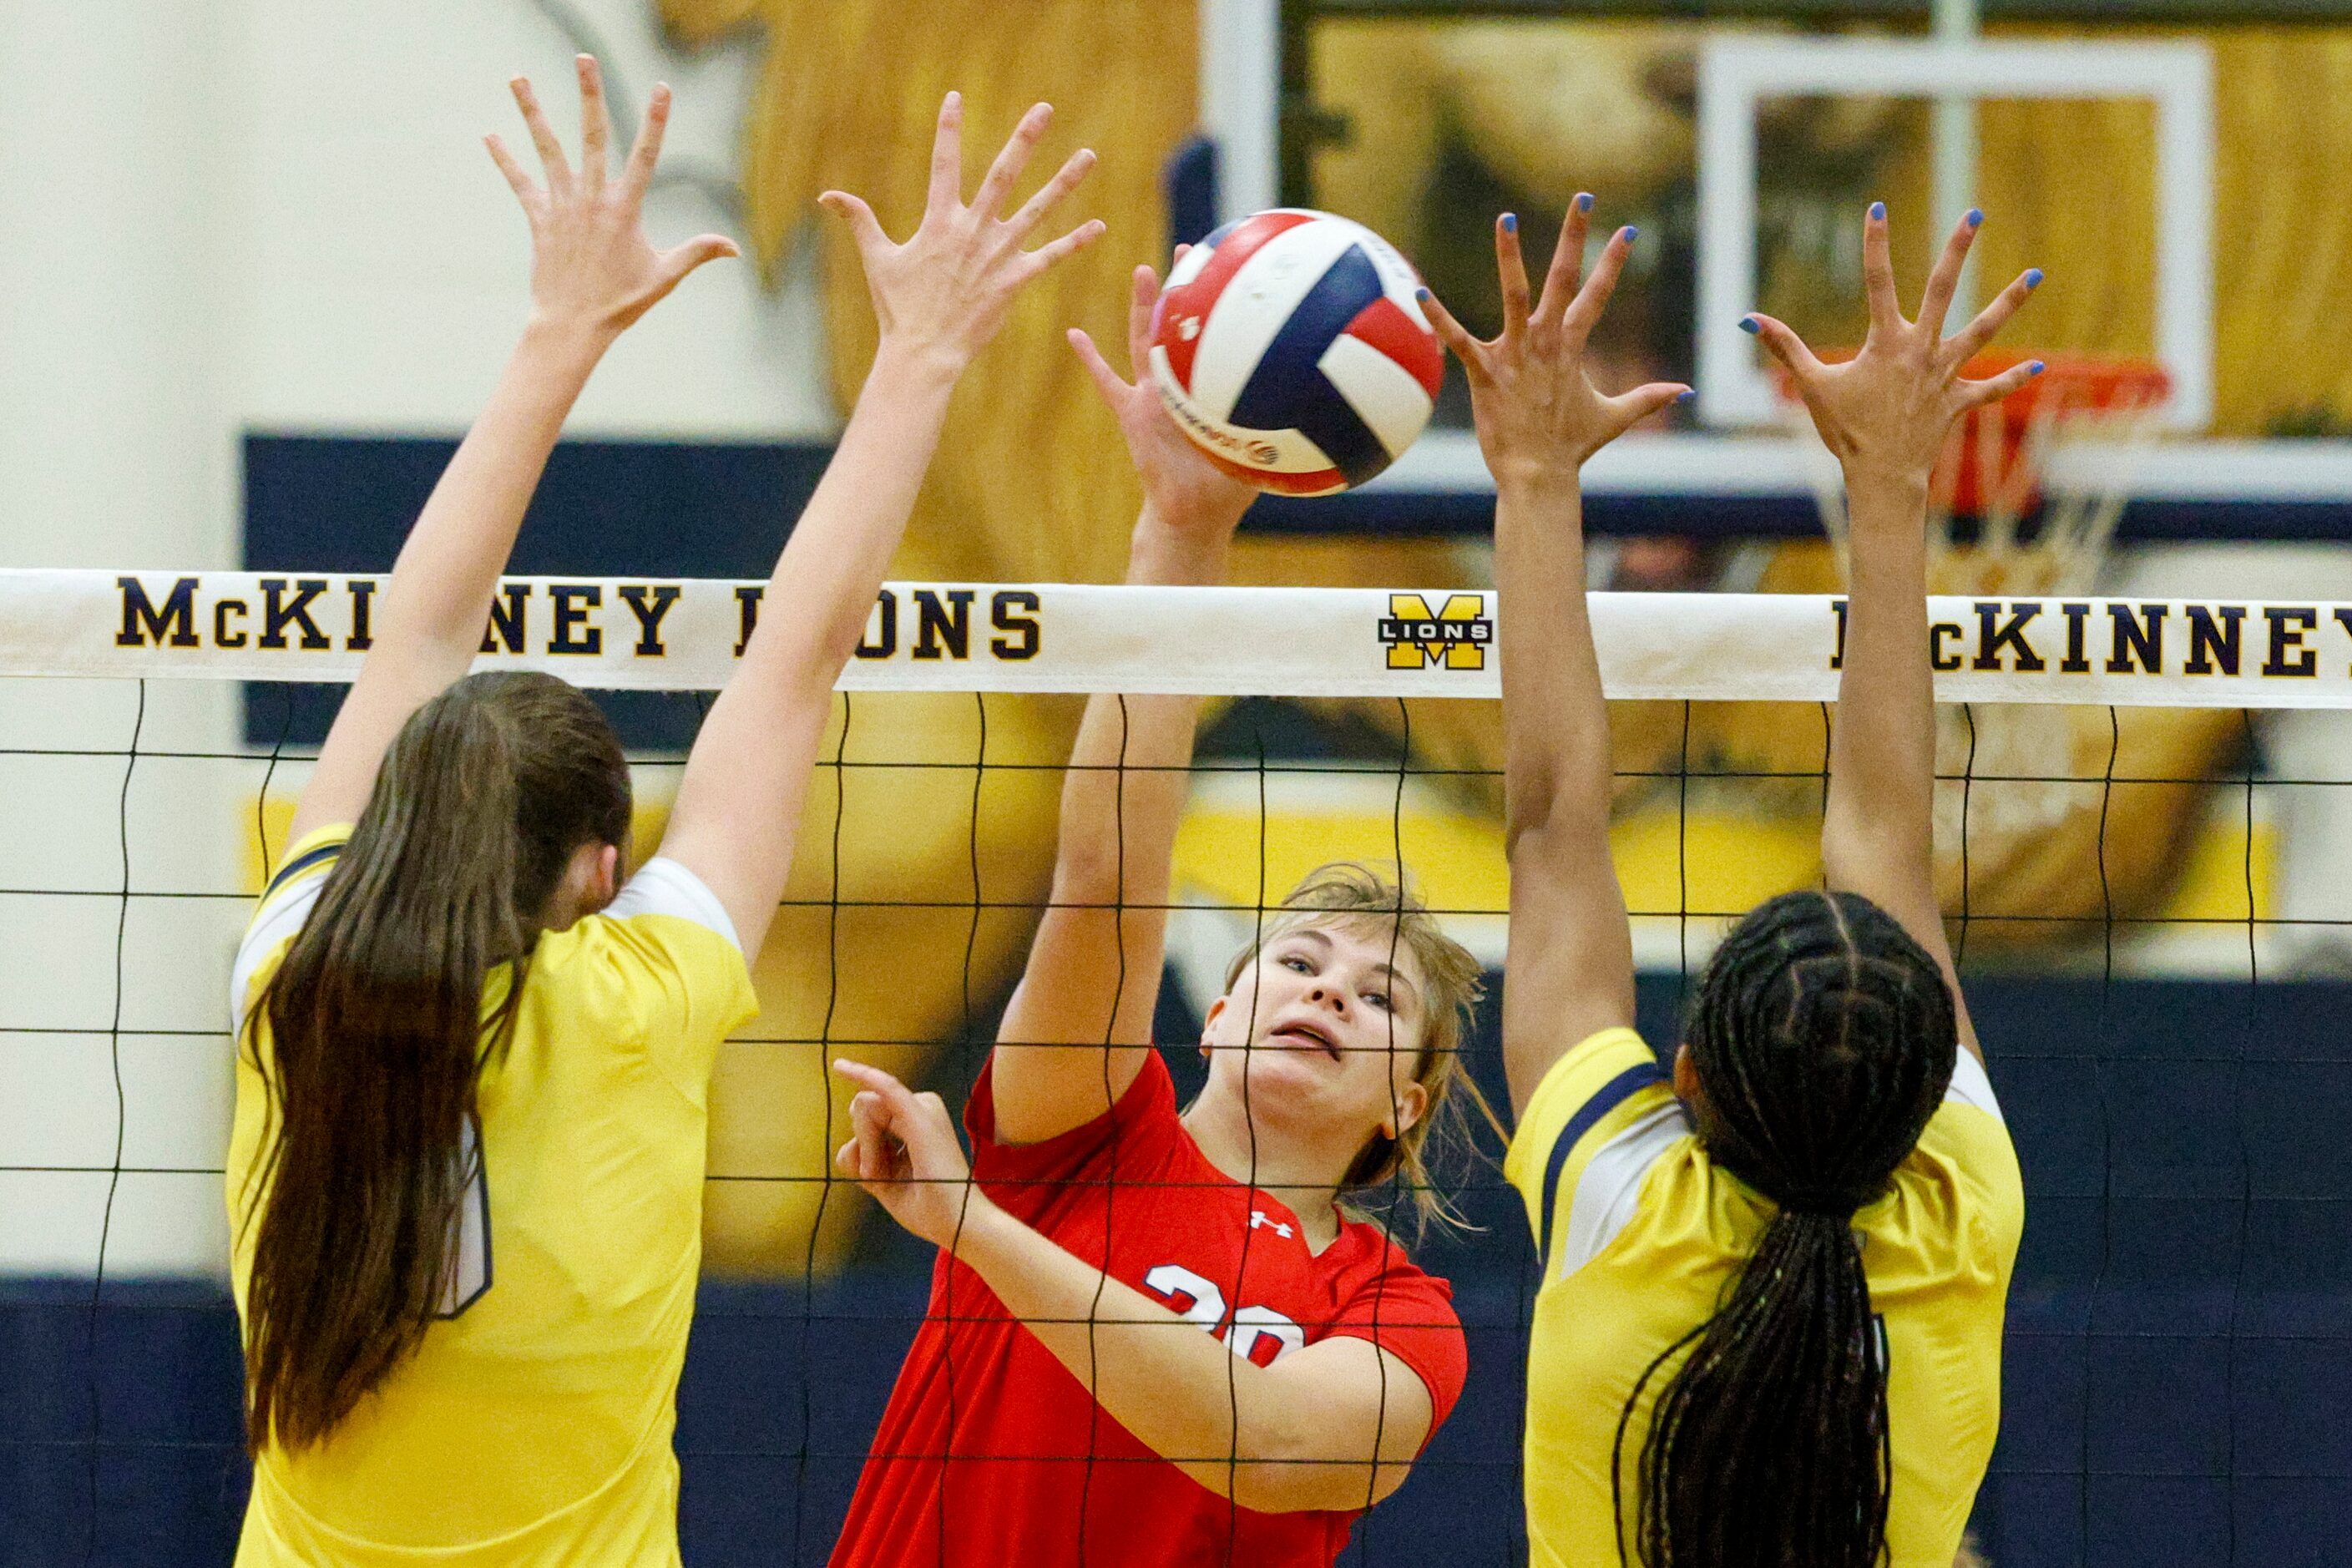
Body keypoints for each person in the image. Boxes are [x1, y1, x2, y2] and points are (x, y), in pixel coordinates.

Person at [225, 64, 1100, 1565]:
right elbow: (793, 665)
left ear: (398, 816)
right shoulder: (641, 995)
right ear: (598, 869)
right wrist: (921, 361)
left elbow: (411, 642)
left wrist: (557, 331)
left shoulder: (290, 973)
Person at [827, 258, 1486, 1566]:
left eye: (1377, 998)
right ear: (1220, 1003)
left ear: (1406, 1098)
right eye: (1296, 960)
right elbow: (1106, 880)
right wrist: (1178, 540)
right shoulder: (1080, 1138)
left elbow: (1275, 1447)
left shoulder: (1400, 1312)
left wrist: (972, 1227)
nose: (1327, 992)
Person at [1418, 198, 2036, 1567]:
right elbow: (1876, 840)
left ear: (1686, 1069)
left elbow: (1551, 813)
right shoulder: (1950, 1213)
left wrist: (1528, 478)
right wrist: (1888, 485)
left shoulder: (1631, 1201)